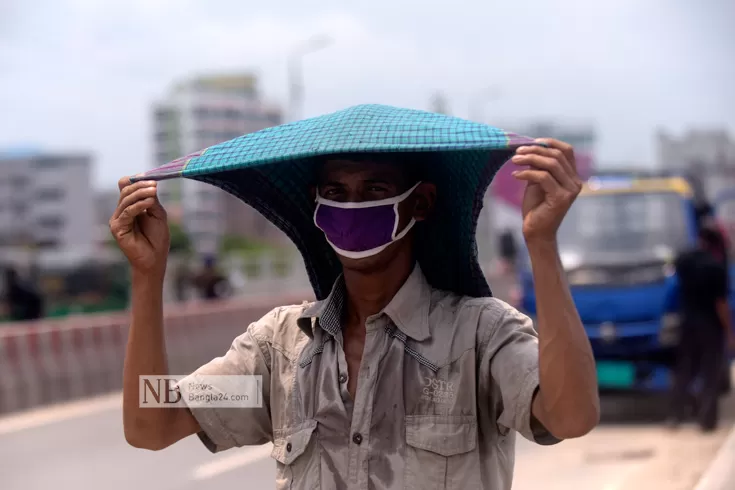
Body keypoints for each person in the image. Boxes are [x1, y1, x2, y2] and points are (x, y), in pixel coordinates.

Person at [111, 138, 599, 489]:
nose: (353, 207)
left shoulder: (478, 336)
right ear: (316, 206)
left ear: (421, 203)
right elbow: (151, 424)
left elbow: (571, 415)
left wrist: (542, 244)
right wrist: (147, 277)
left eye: (374, 190)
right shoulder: (278, 352)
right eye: (337, 193)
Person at [669, 227, 735, 431]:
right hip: (710, 327)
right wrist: (730, 332)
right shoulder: (717, 268)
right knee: (710, 373)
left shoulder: (684, 261)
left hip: (687, 323)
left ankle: (676, 416)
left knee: (684, 371)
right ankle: (707, 421)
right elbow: (721, 304)